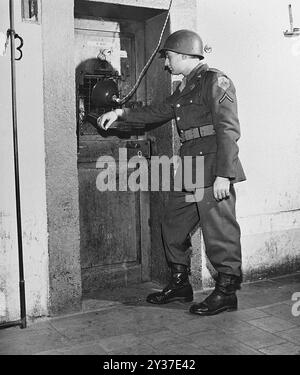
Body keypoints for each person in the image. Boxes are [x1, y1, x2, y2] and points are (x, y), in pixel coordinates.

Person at [97, 29, 246, 316]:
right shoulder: (184, 87)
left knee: (220, 231)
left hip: (213, 166)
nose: (166, 63)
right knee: (172, 223)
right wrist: (120, 114)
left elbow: (228, 130)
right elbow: (157, 111)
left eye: (168, 58)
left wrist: (224, 175)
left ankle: (227, 292)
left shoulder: (215, 81)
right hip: (191, 165)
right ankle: (180, 284)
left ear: (182, 55)